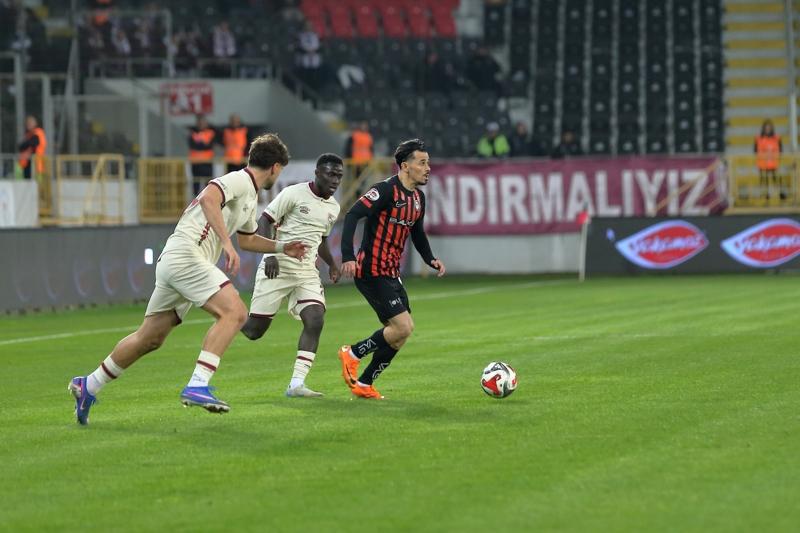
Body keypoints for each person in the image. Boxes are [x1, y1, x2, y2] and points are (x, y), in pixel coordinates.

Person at [67, 134, 308, 425]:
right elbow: (208, 198)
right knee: (235, 312)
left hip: (176, 260)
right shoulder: (240, 180)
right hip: (186, 254)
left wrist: (282, 247)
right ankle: (198, 384)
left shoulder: (249, 195)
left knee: (150, 338)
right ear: (276, 167)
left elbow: (247, 240)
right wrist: (226, 243)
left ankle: (88, 385)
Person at [337, 139, 446, 400]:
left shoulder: (418, 198)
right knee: (403, 327)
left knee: (398, 335)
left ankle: (364, 383)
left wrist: (430, 258)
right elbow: (352, 215)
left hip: (391, 272)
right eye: (422, 163)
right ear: (405, 166)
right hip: (371, 270)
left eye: (428, 163)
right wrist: (348, 256)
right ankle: (352, 353)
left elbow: (417, 233)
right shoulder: (384, 190)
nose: (428, 168)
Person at [241, 154, 343, 397]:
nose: (335, 180)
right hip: (277, 265)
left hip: (306, 271)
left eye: (339, 176)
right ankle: (231, 316)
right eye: (331, 174)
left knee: (315, 319)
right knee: (254, 331)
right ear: (317, 173)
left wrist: (332, 263)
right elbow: (264, 221)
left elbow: (321, 239)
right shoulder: (293, 193)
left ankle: (296, 384)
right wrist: (270, 255)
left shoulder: (334, 207)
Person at [188, 114, 216, 195]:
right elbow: (193, 145)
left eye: (203, 122)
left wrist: (199, 143)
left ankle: (208, 200)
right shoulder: (192, 133)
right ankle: (196, 200)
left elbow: (209, 146)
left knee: (208, 184)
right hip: (195, 162)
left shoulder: (210, 132)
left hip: (207, 162)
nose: (201, 124)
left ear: (206, 123)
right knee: (195, 184)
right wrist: (203, 143)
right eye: (199, 122)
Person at [754, 119, 782, 199]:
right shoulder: (758, 138)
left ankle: (780, 194)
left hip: (774, 163)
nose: (767, 130)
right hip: (763, 164)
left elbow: (780, 150)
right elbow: (755, 150)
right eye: (766, 128)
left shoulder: (777, 138)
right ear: (763, 129)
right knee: (764, 181)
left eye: (769, 128)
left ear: (772, 129)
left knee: (776, 179)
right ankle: (765, 196)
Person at [18, 115, 46, 180]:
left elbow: (32, 144)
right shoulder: (29, 134)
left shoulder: (38, 133)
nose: (28, 125)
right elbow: (22, 146)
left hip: (36, 163)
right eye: (27, 123)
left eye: (30, 123)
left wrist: (24, 145)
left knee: (36, 182)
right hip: (27, 163)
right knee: (27, 181)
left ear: (35, 124)